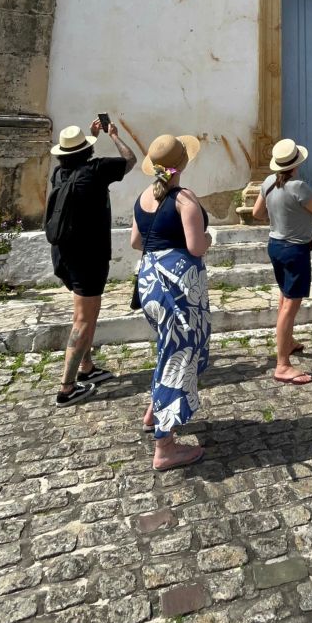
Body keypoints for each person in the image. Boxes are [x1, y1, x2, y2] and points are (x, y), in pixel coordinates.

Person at [131, 134, 211, 471]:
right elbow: (196, 247)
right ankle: (164, 446)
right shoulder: (184, 199)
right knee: (179, 356)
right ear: (184, 163)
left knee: (168, 348)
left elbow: (136, 242)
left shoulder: (143, 197)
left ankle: (154, 411)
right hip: (179, 289)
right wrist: (208, 237)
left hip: (150, 284)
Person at [49, 120, 136, 407]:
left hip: (64, 254)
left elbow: (78, 162)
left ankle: (86, 367)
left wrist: (90, 139)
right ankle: (66, 388)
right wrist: (113, 136)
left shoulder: (60, 174)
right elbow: (130, 160)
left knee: (86, 313)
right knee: (84, 319)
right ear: (86, 151)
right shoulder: (96, 170)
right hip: (89, 256)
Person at [253, 138, 312, 385]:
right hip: (295, 249)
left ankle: (288, 341)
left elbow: (257, 213)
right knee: (290, 304)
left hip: (275, 244)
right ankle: (282, 364)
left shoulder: (268, 183)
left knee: (284, 296)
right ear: (296, 163)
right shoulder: (299, 187)